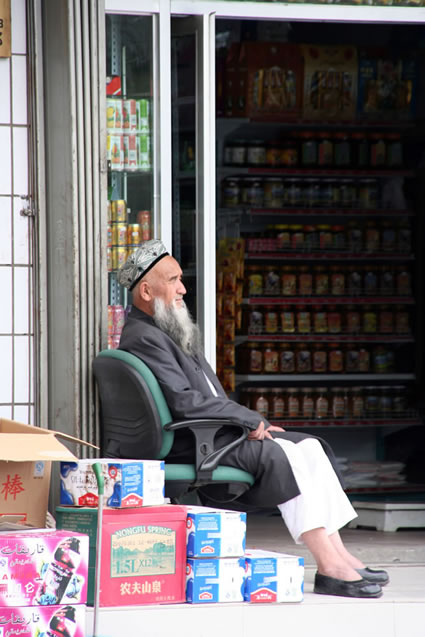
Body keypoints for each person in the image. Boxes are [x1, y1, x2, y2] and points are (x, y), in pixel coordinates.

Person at [117, 239, 389, 598]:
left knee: (309, 447)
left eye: (181, 278)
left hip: (215, 432)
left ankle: (340, 555)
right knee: (284, 454)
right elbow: (185, 403)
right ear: (147, 291)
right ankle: (327, 563)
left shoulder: (164, 329)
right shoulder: (144, 337)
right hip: (195, 442)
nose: (183, 288)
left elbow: (202, 398)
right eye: (173, 280)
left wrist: (250, 421)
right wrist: (247, 420)